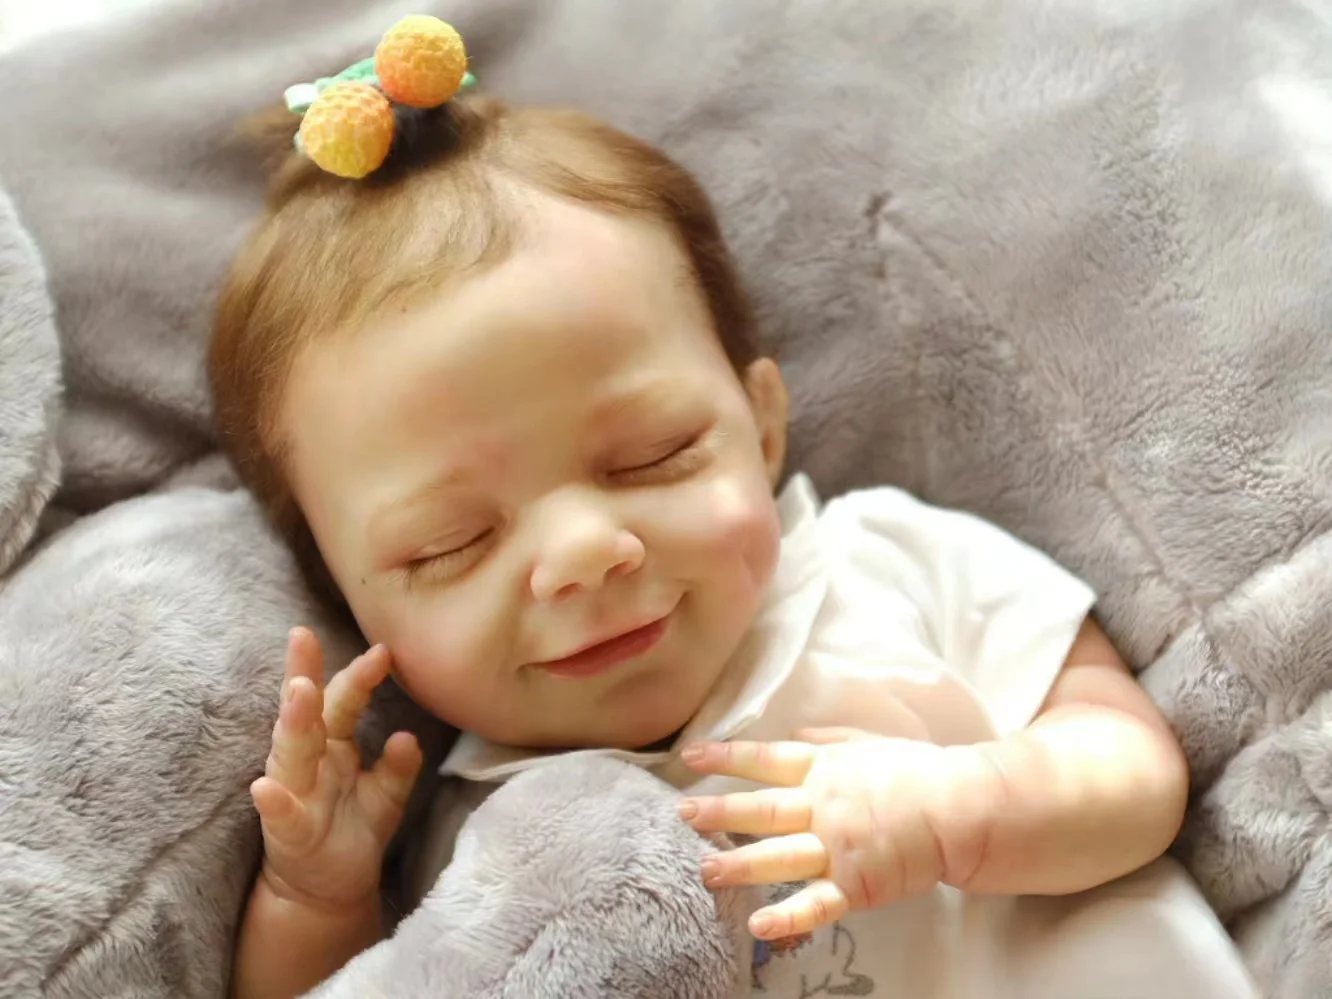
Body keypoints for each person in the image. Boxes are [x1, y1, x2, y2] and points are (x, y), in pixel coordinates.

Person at [210, 18, 1258, 999]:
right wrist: (319, 898)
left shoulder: (884, 563)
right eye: (453, 543)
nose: (583, 552)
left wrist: (962, 809)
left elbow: (1134, 768)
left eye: (653, 456)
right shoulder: (470, 830)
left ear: (760, 425)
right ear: (344, 592)